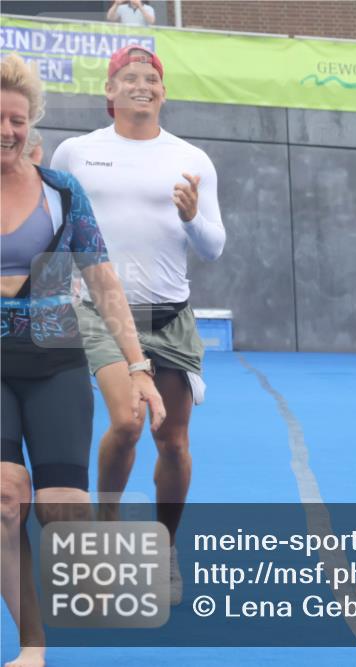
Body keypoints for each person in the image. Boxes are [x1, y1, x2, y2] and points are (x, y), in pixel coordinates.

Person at [1, 54, 165, 667]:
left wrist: (139, 366)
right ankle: (33, 646)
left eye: (17, 120)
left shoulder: (62, 193)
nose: (7, 131)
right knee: (6, 495)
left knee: (60, 508)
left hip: (54, 355)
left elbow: (104, 284)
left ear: (31, 124)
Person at [50, 45, 225, 606]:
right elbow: (50, 229)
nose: (141, 86)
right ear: (109, 92)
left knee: (171, 441)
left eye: (151, 78)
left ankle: (165, 549)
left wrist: (194, 217)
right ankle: (106, 531)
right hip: (97, 312)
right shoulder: (76, 152)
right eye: (129, 78)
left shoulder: (191, 157)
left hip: (169, 316)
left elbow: (214, 248)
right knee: (126, 420)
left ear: (163, 92)